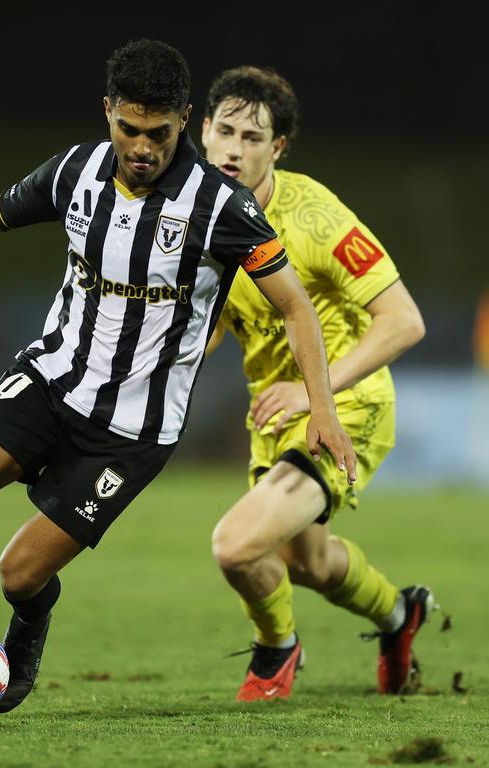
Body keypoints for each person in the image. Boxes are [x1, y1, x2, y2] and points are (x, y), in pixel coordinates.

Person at [0, 41, 356, 721]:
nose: (140, 146)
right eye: (127, 128)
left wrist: (323, 410)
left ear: (184, 121)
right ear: (107, 111)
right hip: (50, 379)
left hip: (130, 432)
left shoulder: (220, 207)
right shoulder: (74, 172)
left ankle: (29, 625)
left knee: (18, 573)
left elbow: (296, 307)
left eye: (157, 133)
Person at [201, 66, 432, 700]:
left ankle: (277, 651)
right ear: (203, 131)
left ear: (277, 149)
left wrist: (313, 392)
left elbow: (404, 321)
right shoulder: (197, 216)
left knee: (238, 546)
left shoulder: (314, 217)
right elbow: (213, 320)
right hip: (274, 415)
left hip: (346, 406)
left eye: (253, 138)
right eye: (225, 131)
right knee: (310, 563)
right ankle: (398, 615)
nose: (235, 150)